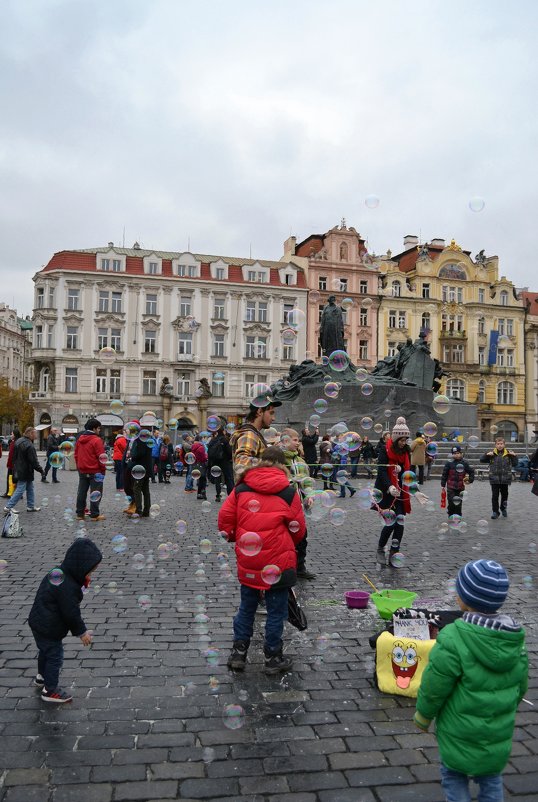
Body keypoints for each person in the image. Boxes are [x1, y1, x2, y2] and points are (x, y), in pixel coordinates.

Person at [414, 559, 528, 802]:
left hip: (458, 732)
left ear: (463, 599)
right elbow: (521, 686)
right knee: (492, 779)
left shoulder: (453, 636)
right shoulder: (515, 640)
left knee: (454, 775)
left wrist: (423, 715)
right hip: (497, 733)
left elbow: (435, 685)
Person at [218, 447, 306, 675]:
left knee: (246, 607)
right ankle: (272, 656)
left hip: (250, 559)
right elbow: (298, 530)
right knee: (276, 611)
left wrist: (239, 538)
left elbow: (225, 520)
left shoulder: (242, 487)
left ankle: (238, 653)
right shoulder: (288, 491)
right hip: (278, 561)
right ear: (282, 465)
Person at [28, 538, 102, 703]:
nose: (90, 575)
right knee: (55, 656)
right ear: (80, 567)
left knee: (45, 651)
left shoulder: (58, 572)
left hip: (38, 621)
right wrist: (81, 632)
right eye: (90, 571)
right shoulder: (68, 586)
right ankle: (50, 690)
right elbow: (71, 613)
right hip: (49, 627)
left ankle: (41, 677)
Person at [374, 417, 412, 566]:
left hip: (401, 491)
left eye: (406, 440)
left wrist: (401, 470)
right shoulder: (385, 450)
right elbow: (382, 471)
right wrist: (390, 486)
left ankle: (394, 552)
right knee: (390, 522)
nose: (404, 443)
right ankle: (380, 548)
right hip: (387, 491)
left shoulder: (406, 451)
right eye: (401, 440)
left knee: (400, 522)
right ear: (396, 439)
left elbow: (409, 472)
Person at [280, 428, 316, 580]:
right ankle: (283, 568)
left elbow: (306, 483)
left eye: (298, 440)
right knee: (283, 539)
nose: (298, 443)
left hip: (297, 507)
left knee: (302, 537)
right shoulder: (278, 460)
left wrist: (309, 496)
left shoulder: (300, 461)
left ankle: (300, 567)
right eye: (295, 440)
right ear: (285, 441)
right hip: (282, 507)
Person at [230, 399, 282, 478]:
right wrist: (270, 463)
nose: (273, 418)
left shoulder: (254, 434)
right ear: (260, 411)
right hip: (251, 488)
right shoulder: (249, 434)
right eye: (271, 413)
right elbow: (242, 461)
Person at [4, 427, 44, 513]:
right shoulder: (29, 445)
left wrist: (13, 466)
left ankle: (30, 506)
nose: (36, 435)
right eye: (35, 433)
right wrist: (41, 470)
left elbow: (13, 456)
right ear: (30, 434)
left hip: (19, 469)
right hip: (25, 470)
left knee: (30, 487)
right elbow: (33, 461)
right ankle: (8, 506)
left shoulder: (19, 441)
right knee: (20, 488)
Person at [74, 419, 106, 522]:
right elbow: (101, 457)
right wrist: (103, 470)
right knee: (96, 492)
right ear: (94, 428)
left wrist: (79, 466)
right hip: (95, 470)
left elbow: (76, 455)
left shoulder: (80, 439)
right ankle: (94, 515)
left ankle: (80, 514)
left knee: (81, 492)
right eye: (99, 428)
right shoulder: (97, 440)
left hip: (82, 470)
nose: (99, 430)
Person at [480, 437, 518, 519]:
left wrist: (514, 456)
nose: (500, 445)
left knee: (505, 495)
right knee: (495, 496)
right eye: (498, 444)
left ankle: (503, 508)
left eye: (501, 444)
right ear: (495, 445)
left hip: (505, 478)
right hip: (494, 479)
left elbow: (515, 464)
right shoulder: (491, 453)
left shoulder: (509, 453)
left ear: (504, 445)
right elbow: (481, 460)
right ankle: (495, 511)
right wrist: (486, 455)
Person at [440, 446, 475, 517]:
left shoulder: (464, 463)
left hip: (460, 487)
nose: (456, 455)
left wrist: (470, 480)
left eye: (458, 453)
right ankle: (450, 513)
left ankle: (458, 515)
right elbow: (444, 474)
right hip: (451, 486)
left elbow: (471, 471)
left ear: (461, 453)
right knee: (451, 501)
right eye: (454, 453)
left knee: (458, 503)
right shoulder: (449, 463)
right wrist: (443, 484)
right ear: (452, 454)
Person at [207, 421, 234, 501]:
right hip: (225, 462)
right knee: (229, 478)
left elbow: (209, 452)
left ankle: (218, 496)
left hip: (216, 462)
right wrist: (230, 458)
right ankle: (231, 497)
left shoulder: (213, 440)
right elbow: (229, 452)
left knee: (217, 479)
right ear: (223, 431)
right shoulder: (225, 440)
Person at [128, 432, 153, 516]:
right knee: (146, 489)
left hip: (139, 469)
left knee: (137, 488)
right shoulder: (148, 440)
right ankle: (146, 510)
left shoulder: (139, 441)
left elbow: (138, 454)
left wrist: (131, 455)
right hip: (147, 467)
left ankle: (138, 510)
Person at [1, 428, 20, 498]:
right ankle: (17, 493)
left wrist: (9, 464)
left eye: (12, 434)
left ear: (15, 435)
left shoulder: (14, 443)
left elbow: (11, 455)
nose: (11, 435)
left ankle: (9, 493)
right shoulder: (17, 442)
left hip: (12, 465)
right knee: (16, 479)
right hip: (16, 464)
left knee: (10, 479)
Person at [191, 435, 208, 500]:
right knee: (203, 479)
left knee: (199, 478)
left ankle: (198, 494)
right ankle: (203, 491)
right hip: (201, 464)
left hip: (195, 464)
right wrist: (206, 457)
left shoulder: (193, 446)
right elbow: (203, 457)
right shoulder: (201, 447)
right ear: (200, 440)